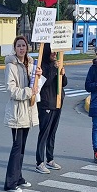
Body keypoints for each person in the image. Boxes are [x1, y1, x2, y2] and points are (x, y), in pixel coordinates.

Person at [3, 35, 42, 192]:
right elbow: (11, 90)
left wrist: (39, 75)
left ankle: (18, 177)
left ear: (27, 47)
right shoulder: (11, 66)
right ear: (15, 48)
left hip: (29, 110)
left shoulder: (31, 63)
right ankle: (10, 183)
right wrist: (28, 91)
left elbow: (35, 84)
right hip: (18, 111)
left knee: (23, 146)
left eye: (23, 46)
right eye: (18, 46)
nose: (21, 48)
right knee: (17, 146)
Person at [35, 43, 67, 174]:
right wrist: (55, 69)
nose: (54, 54)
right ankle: (39, 162)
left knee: (52, 132)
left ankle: (50, 158)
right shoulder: (42, 66)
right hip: (46, 103)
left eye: (56, 52)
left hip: (57, 102)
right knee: (44, 133)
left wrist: (62, 73)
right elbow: (44, 82)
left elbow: (64, 83)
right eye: (52, 52)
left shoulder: (57, 65)